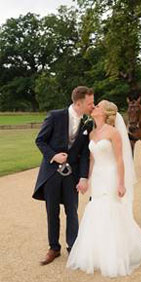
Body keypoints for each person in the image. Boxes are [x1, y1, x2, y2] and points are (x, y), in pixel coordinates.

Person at [66, 100, 141, 277]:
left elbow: (120, 159)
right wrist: (86, 179)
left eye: (98, 106)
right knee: (95, 208)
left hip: (110, 175)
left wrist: (121, 183)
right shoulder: (92, 132)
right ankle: (97, 252)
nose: (94, 107)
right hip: (97, 177)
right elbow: (92, 159)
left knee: (110, 208)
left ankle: (115, 254)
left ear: (105, 113)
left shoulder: (114, 133)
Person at [32, 86, 94, 265]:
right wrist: (53, 156)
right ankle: (54, 248)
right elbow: (40, 140)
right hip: (51, 173)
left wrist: (83, 177)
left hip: (72, 175)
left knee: (72, 211)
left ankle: (73, 247)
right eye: (90, 103)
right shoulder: (55, 116)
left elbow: (84, 154)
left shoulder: (87, 123)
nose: (92, 106)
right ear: (78, 103)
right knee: (52, 211)